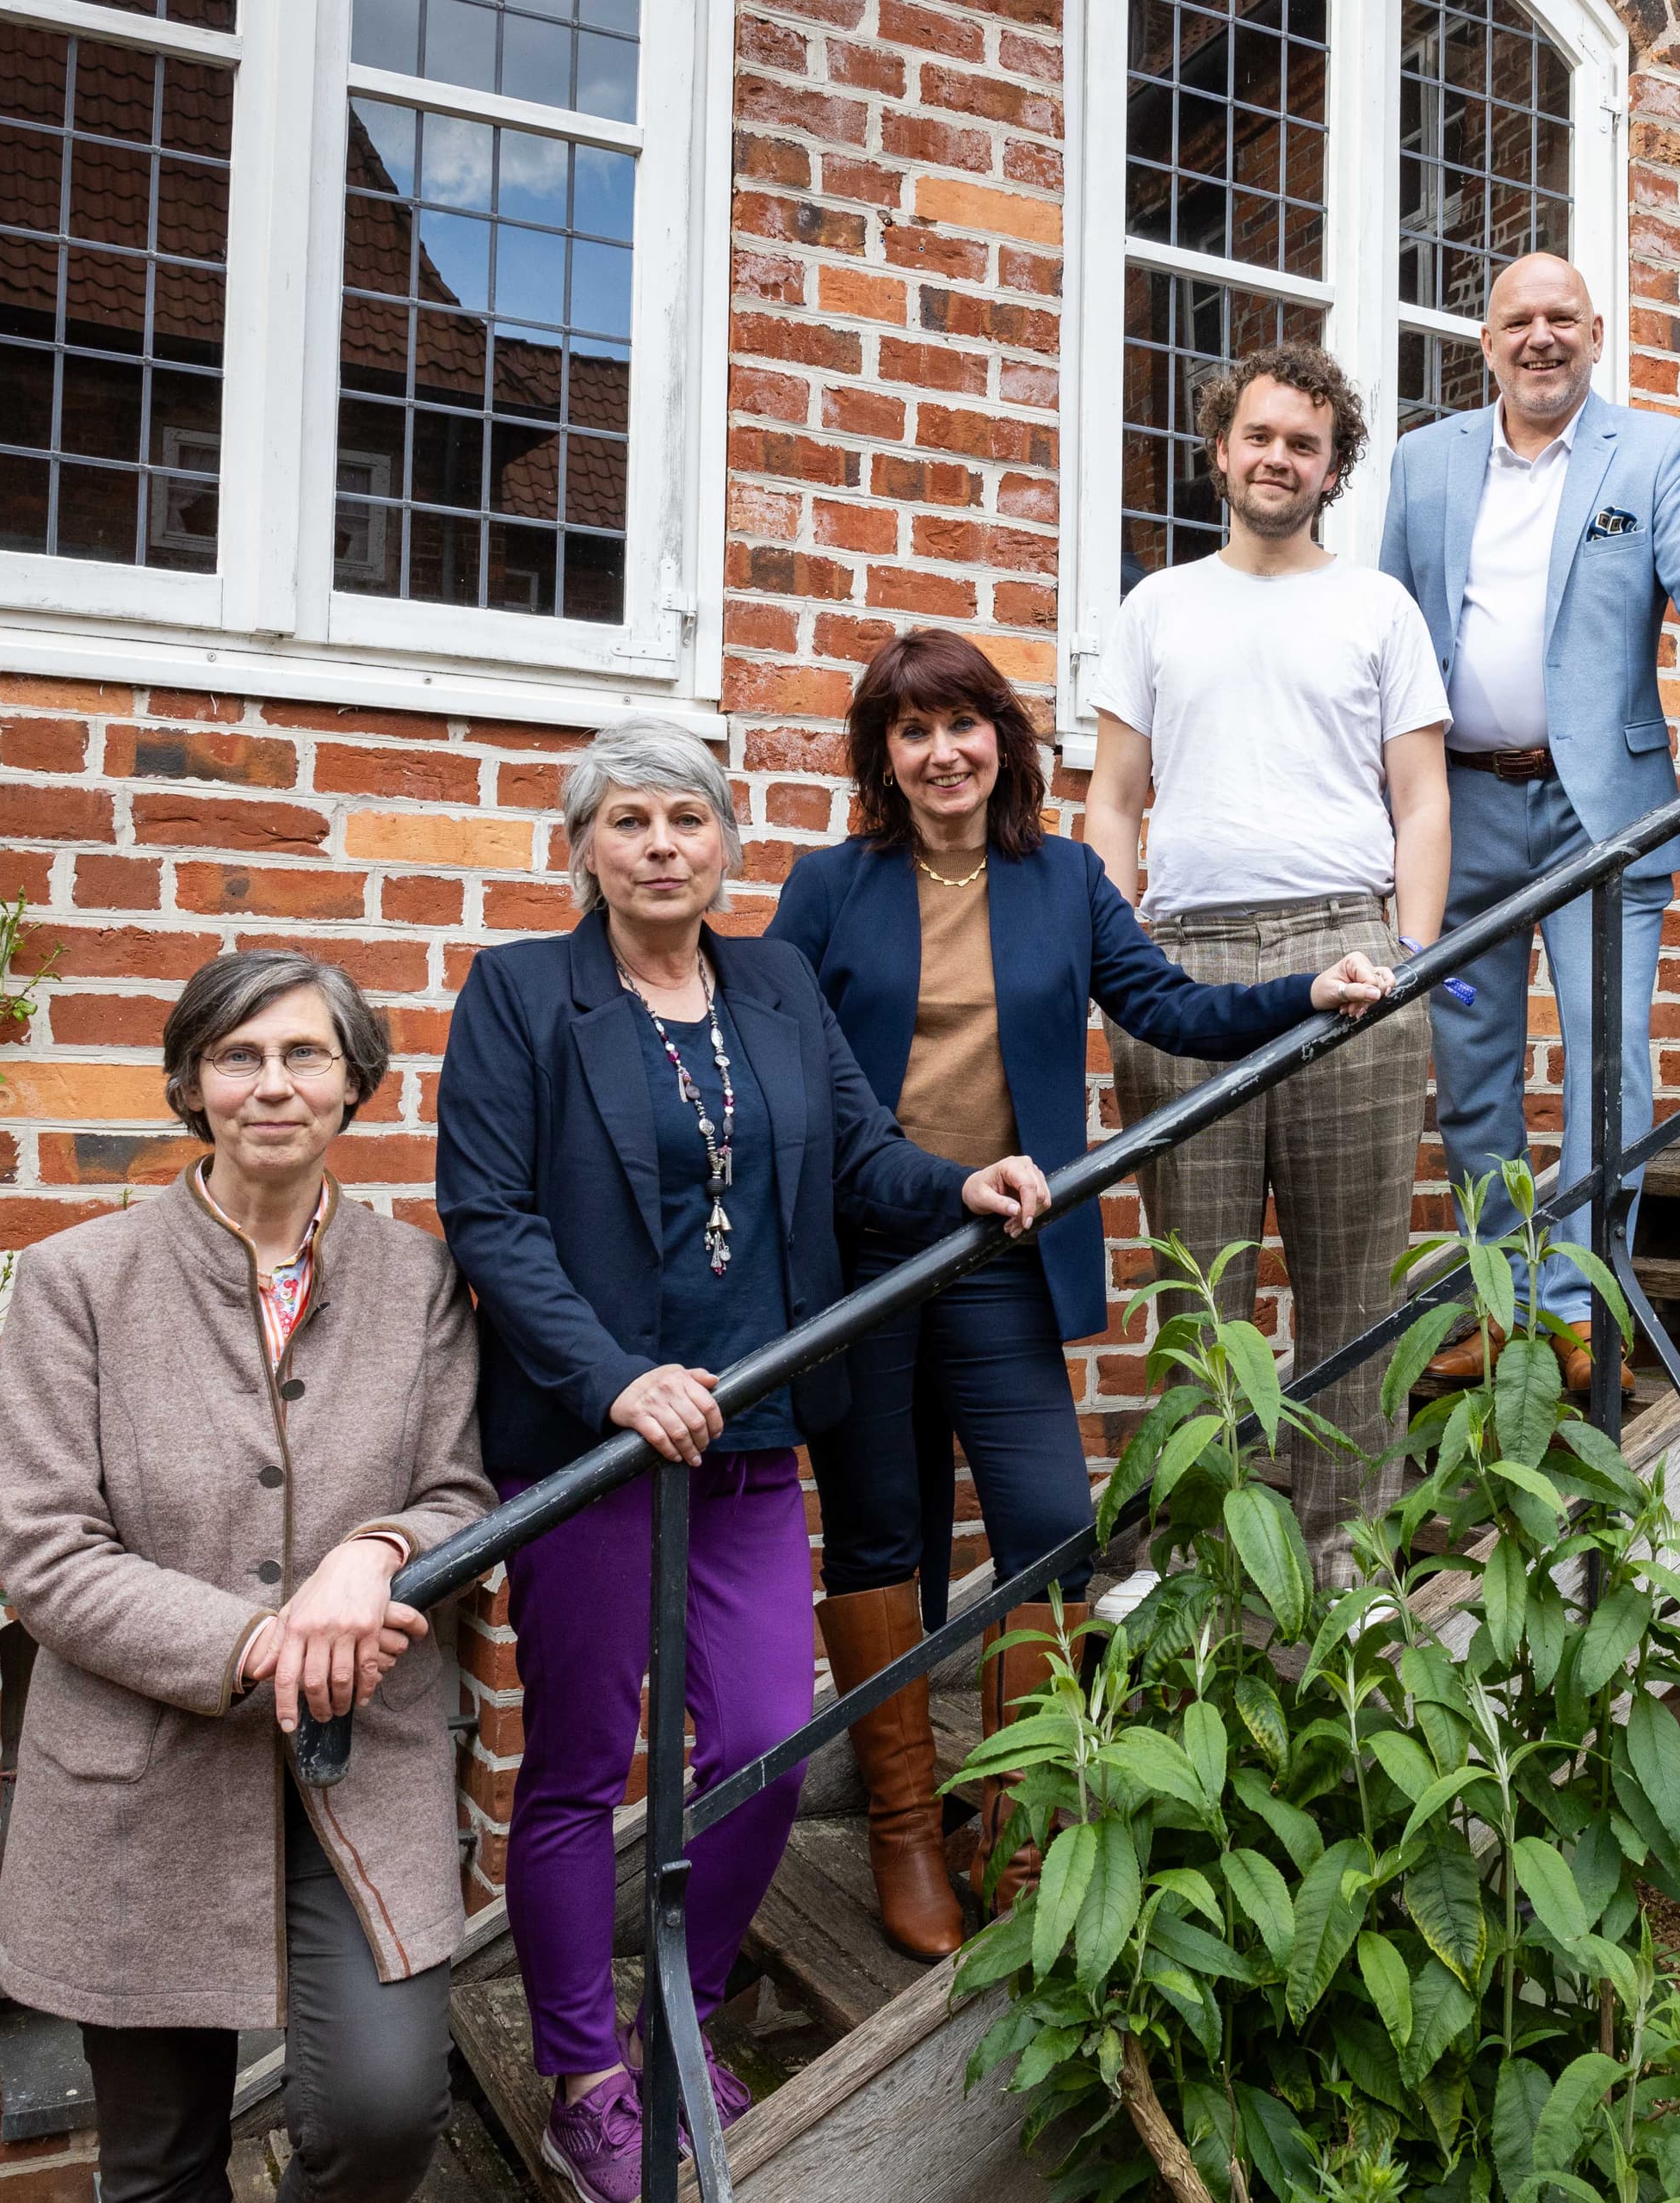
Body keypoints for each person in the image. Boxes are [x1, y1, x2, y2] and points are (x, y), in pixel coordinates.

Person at [435, 720, 1048, 2203]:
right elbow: (491, 1218)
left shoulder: (772, 984)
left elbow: (855, 1156)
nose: (661, 846)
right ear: (583, 846)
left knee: (769, 1739)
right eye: (629, 821)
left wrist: (956, 1180)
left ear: (726, 844)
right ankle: (584, 2069)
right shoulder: (522, 993)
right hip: (593, 1453)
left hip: (756, 1436)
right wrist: (613, 1381)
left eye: (688, 820)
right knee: (580, 1766)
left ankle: (684, 2015)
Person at [773, 628, 1389, 1956]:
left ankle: (1018, 1818)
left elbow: (1166, 1006)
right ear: (885, 758)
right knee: (884, 1541)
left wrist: (1304, 991)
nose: (944, 753)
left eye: (964, 725)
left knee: (1052, 1527)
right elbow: (794, 1070)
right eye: (913, 732)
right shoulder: (827, 890)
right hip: (868, 1264)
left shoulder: (1064, 882)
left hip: (1004, 1258)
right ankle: (905, 1837)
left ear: (1004, 738)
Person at [0, 951, 492, 2203]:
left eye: (306, 1054)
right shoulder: (77, 1281)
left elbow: (460, 1499)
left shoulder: (420, 1280)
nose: (275, 1084)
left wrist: (375, 1554)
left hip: (361, 1762)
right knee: (158, 2165)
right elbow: (45, 1550)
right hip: (139, 1775)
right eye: (240, 1056)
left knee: (385, 2112)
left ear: (353, 1083)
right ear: (192, 1084)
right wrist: (266, 1640)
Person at [1382, 252, 1680, 1376]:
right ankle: (1502, 1298)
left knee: (1604, 1067)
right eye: (1517, 321)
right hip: (1457, 813)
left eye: (1561, 319)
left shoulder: (1657, 452)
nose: (1540, 338)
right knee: (1471, 1072)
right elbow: (1380, 638)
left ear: (1597, 332)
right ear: (1485, 344)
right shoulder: (1422, 465)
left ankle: (1578, 1308)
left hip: (1602, 823)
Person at [1084, 341, 1451, 1571]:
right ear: (1220, 450)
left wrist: (1412, 951)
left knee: (1354, 1290)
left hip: (1349, 957)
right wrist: (1119, 943)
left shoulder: (1376, 606)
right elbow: (1117, 798)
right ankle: (1206, 1569)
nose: (1278, 458)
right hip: (1184, 972)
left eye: (1305, 441)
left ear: (1334, 463)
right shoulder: (1157, 607)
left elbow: (1422, 796)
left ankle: (1351, 1566)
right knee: (1202, 1297)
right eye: (1259, 436)